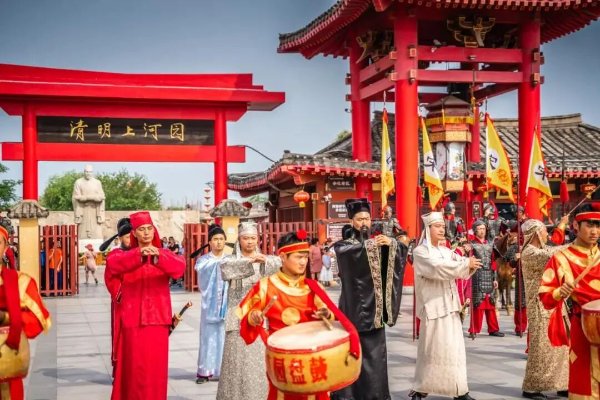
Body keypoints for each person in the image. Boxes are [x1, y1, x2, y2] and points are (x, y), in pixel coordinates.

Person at [237, 230, 361, 400]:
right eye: (298, 257)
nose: (303, 262)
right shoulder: (266, 286)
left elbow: (331, 316)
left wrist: (327, 314)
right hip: (283, 360)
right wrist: (254, 317)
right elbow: (246, 318)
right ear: (283, 257)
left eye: (305, 257)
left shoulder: (313, 287)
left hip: (312, 358)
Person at [331, 198, 408, 400]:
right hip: (352, 310)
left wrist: (392, 244)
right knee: (350, 354)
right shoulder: (344, 246)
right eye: (359, 219)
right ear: (351, 222)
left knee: (375, 357)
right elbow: (347, 254)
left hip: (375, 310)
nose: (364, 222)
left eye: (367, 218)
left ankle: (376, 395)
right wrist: (372, 245)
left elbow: (399, 255)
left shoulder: (379, 243)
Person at [104, 211, 185, 400]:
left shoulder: (164, 254)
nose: (146, 232)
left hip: (158, 321)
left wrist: (158, 257)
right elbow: (113, 265)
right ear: (134, 233)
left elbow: (179, 269)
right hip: (132, 320)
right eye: (141, 229)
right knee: (134, 368)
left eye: (149, 228)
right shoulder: (122, 255)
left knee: (156, 369)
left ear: (154, 231)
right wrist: (139, 255)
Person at [410, 212, 481, 400]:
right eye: (437, 226)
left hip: (450, 306)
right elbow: (437, 268)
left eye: (443, 226)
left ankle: (460, 390)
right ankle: (420, 388)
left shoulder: (446, 251)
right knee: (431, 350)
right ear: (428, 229)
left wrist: (469, 265)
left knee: (455, 350)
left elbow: (458, 264)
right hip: (433, 307)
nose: (442, 229)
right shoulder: (421, 252)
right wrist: (465, 264)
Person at [539, 203, 600, 398]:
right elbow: (545, 295)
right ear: (575, 225)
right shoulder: (561, 258)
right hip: (583, 326)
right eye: (589, 225)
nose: (595, 231)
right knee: (584, 379)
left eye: (598, 226)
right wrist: (559, 292)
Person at [217, 221, 281, 400]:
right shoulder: (231, 260)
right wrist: (249, 262)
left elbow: (281, 263)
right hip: (237, 317)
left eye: (253, 238)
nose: (250, 242)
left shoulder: (265, 259)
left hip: (260, 317)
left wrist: (265, 260)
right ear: (239, 239)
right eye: (246, 238)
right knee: (236, 362)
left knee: (259, 362)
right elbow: (226, 269)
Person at [0, 224, 52, 399]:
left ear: (5, 247)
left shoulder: (21, 282)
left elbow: (36, 322)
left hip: (7, 356)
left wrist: (6, 318)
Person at [520, 219, 569, 400]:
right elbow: (554, 254)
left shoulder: (542, 249)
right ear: (535, 233)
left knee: (562, 346)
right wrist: (576, 245)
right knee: (541, 347)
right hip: (539, 306)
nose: (547, 234)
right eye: (544, 231)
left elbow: (554, 250)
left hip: (555, 303)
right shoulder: (529, 252)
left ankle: (562, 384)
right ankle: (532, 387)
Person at [194, 224, 228, 384]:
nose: (218, 242)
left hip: (227, 305)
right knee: (208, 338)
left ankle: (224, 371)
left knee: (225, 338)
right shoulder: (203, 261)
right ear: (209, 242)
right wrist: (219, 265)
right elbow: (201, 271)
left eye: (221, 239)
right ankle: (204, 371)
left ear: (225, 241)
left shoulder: (230, 259)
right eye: (215, 239)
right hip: (209, 305)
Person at [102, 217, 132, 379]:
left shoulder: (140, 252)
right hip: (122, 303)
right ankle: (119, 372)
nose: (130, 239)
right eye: (127, 236)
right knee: (121, 336)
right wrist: (122, 295)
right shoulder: (115, 255)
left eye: (132, 236)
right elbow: (111, 279)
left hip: (139, 302)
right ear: (120, 238)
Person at [468, 220, 504, 338]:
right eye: (479, 229)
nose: (482, 231)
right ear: (475, 230)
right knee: (478, 303)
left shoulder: (490, 244)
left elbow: (493, 262)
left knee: (491, 303)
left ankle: (493, 329)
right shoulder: (471, 245)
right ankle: (474, 329)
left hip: (489, 275)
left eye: (483, 228)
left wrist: (495, 278)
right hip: (477, 275)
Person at [72, 164, 106, 239]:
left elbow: (102, 197)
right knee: (82, 233)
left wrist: (88, 198)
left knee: (97, 233)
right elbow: (76, 197)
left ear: (92, 172)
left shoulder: (97, 182)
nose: (88, 173)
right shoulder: (78, 182)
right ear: (84, 172)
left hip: (95, 210)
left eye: (90, 172)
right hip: (83, 210)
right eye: (86, 172)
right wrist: (89, 198)